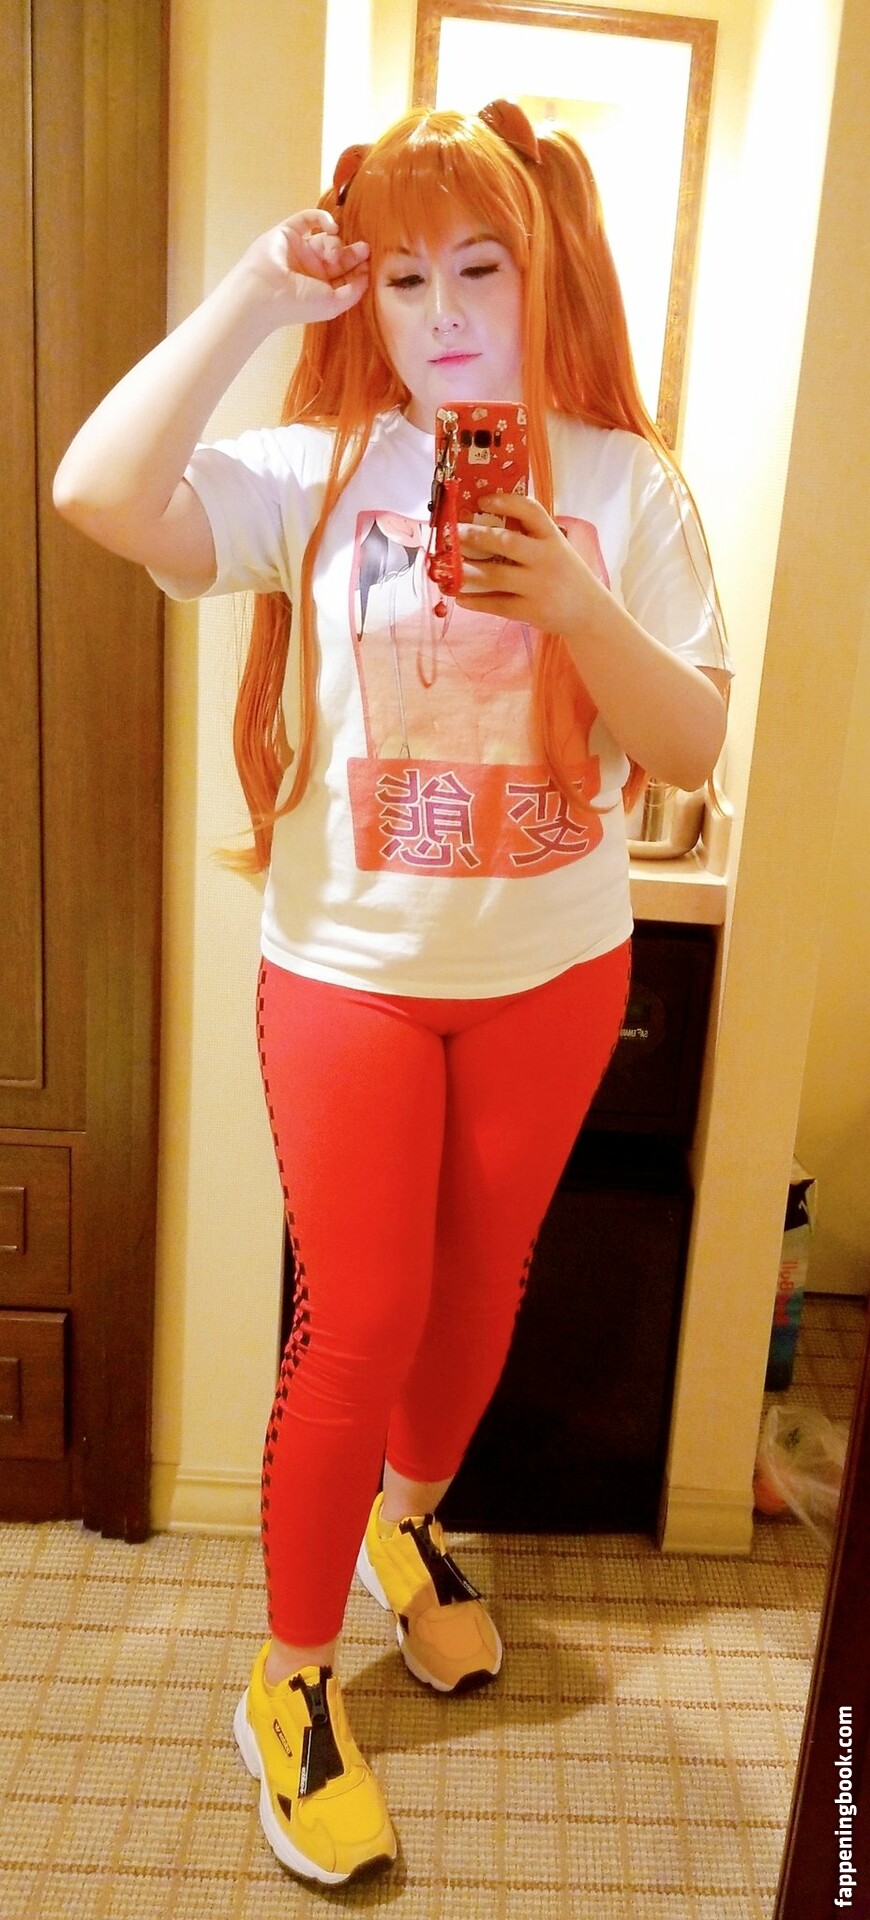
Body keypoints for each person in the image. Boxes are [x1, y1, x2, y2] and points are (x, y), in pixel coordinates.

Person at [54, 100, 732, 1887]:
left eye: (478, 268)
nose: (441, 313)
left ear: (543, 272)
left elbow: (687, 748)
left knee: (481, 1287)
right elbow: (94, 493)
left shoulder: (628, 485)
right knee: (355, 1319)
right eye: (406, 277)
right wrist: (249, 296)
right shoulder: (318, 469)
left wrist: (575, 605)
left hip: (554, 970)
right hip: (348, 975)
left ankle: (405, 1530)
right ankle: (286, 1684)